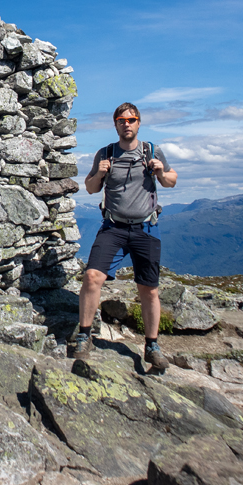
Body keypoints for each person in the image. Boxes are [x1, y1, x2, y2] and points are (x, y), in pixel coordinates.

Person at [73, 102, 177, 371]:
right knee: (92, 276)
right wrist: (101, 172)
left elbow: (172, 180)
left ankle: (152, 346)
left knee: (149, 290)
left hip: (146, 228)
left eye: (131, 119)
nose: (126, 124)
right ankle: (85, 336)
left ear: (139, 123)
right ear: (115, 124)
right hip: (114, 227)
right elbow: (91, 188)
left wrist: (160, 172)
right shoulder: (105, 153)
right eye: (121, 120)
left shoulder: (151, 151)